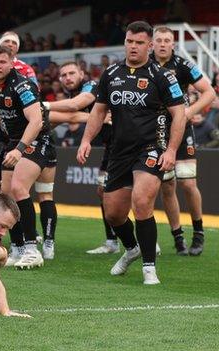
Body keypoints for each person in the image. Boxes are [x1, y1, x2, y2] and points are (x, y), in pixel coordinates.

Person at [77, 21, 186, 285]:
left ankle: (149, 267)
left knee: (141, 201)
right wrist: (86, 140)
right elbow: (99, 110)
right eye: (129, 41)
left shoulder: (162, 76)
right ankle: (131, 249)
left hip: (151, 148)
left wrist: (171, 150)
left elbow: (179, 114)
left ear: (150, 45)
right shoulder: (111, 73)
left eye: (139, 43)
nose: (133, 47)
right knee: (113, 212)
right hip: (119, 151)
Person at [0, 45, 52, 268]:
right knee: (6, 195)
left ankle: (31, 250)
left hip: (35, 140)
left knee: (18, 189)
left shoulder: (22, 85)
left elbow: (36, 121)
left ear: (11, 62)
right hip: (13, 142)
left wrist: (19, 149)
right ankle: (16, 249)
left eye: (2, 62)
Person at [151, 26, 215, 256]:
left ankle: (198, 233)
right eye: (158, 40)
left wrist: (190, 112)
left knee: (188, 184)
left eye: (167, 40)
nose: (162, 44)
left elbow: (209, 92)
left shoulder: (184, 65)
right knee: (167, 186)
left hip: (182, 129)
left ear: (173, 44)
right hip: (156, 132)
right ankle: (178, 237)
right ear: (152, 43)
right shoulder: (145, 66)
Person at [47, 61, 119, 254]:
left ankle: (147, 242)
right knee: (103, 191)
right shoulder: (74, 93)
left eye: (72, 73)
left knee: (129, 193)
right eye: (63, 75)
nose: (67, 78)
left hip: (125, 142)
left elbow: (73, 108)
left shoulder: (91, 86)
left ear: (82, 74)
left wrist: (41, 106)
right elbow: (66, 117)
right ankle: (112, 241)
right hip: (111, 146)